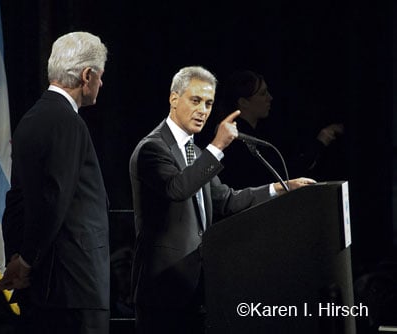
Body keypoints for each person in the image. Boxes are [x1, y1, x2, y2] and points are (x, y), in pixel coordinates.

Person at [129, 66, 316, 334]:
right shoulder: (152, 148)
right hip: (164, 289)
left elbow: (225, 200)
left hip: (198, 288)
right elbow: (177, 188)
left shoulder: (193, 151)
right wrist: (217, 146)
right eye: (195, 100)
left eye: (208, 103)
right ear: (173, 99)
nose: (203, 110)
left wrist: (281, 188)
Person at [0, 31, 110, 334]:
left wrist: (18, 257)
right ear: (87, 75)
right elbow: (53, 199)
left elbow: (17, 201)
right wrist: (26, 262)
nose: (101, 83)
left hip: (43, 287)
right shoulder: (66, 122)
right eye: (100, 76)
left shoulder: (31, 119)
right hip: (74, 288)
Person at [216, 69, 344, 189]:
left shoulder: (259, 134)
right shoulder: (235, 138)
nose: (270, 98)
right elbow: (282, 174)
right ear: (243, 102)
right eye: (262, 94)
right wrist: (320, 142)